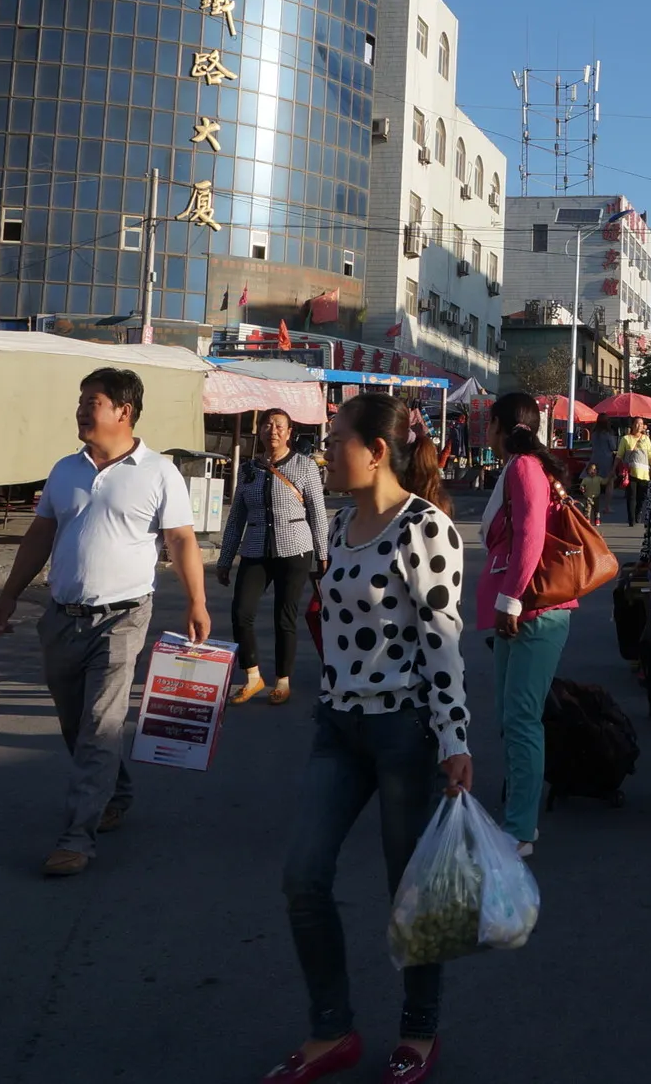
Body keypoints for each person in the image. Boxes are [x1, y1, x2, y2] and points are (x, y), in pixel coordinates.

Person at [268, 394, 471, 1084]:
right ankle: (332, 1029)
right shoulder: (348, 522)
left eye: (336, 439)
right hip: (337, 723)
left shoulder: (427, 527)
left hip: (402, 732)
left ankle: (419, 1029)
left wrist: (454, 738)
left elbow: (443, 643)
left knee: (406, 890)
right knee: (303, 875)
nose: (326, 451)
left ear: (376, 450)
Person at [0, 368, 209, 879]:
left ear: (123, 412)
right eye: (81, 400)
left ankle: (75, 837)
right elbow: (40, 536)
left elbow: (180, 541)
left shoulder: (159, 473)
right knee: (77, 725)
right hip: (61, 617)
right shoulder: (65, 469)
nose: (82, 410)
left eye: (93, 401)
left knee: (101, 725)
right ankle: (117, 791)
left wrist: (196, 601)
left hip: (124, 617)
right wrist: (9, 595)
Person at [479, 390, 574, 855]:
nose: (486, 431)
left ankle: (520, 828)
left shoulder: (523, 468)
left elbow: (532, 532)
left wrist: (512, 599)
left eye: (489, 423)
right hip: (522, 609)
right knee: (510, 715)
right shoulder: (520, 468)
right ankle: (516, 811)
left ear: (500, 425)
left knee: (520, 719)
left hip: (535, 609)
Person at [217, 408, 328, 706]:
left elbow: (317, 512)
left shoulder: (305, 466)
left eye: (279, 426)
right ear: (260, 431)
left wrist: (323, 554)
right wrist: (225, 558)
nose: (273, 430)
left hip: (295, 549)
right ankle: (252, 677)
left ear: (290, 432)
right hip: (255, 548)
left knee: (284, 616)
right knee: (241, 612)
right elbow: (236, 517)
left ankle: (283, 680)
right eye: (267, 425)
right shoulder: (248, 469)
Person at [618, 416, 651, 528]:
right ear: (632, 425)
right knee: (631, 496)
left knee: (642, 497)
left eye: (640, 424)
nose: (638, 426)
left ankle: (638, 513)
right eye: (636, 423)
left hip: (644, 473)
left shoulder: (646, 439)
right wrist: (614, 469)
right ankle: (631, 520)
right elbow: (619, 455)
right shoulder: (626, 439)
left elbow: (650, 455)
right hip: (630, 472)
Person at [586, 420, 619, 523]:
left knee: (594, 482)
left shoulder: (594, 434)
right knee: (609, 482)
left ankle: (592, 504)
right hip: (606, 459)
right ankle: (607, 507)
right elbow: (613, 447)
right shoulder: (608, 434)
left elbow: (591, 445)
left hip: (595, 459)